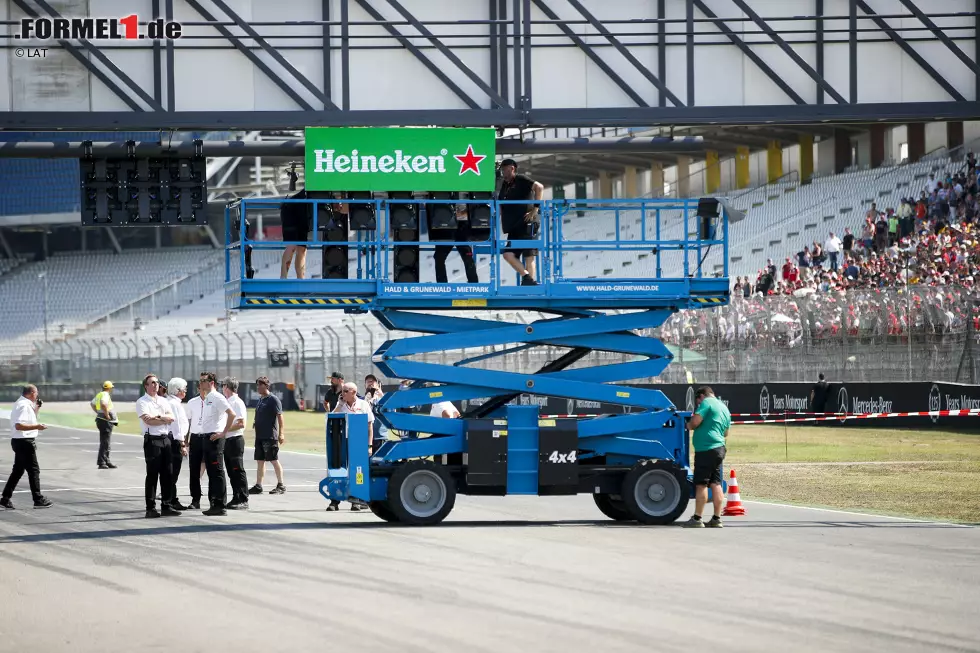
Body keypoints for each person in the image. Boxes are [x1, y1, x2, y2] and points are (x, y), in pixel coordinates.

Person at [683, 386, 731, 528]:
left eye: (698, 401)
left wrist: (687, 425)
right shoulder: (724, 407)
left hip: (706, 449)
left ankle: (697, 518)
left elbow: (695, 422)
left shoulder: (706, 403)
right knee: (716, 483)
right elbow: (726, 432)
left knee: (701, 483)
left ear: (702, 396)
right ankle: (716, 518)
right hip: (719, 448)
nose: (698, 404)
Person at [136, 374, 181, 519]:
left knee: (168, 474)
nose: (155, 385)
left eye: (156, 383)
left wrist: (158, 417)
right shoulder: (142, 402)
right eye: (152, 383)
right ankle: (150, 508)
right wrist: (162, 418)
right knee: (152, 475)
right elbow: (148, 421)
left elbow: (171, 418)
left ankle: (166, 506)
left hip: (166, 439)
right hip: (152, 440)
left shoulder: (163, 400)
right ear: (146, 386)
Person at [0, 384, 52, 509]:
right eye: (36, 393)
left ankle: (5, 498)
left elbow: (29, 419)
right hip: (24, 441)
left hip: (20, 441)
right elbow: (19, 425)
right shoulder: (23, 405)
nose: (37, 395)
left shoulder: (24, 403)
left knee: (18, 471)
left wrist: (37, 408)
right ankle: (38, 499)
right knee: (33, 470)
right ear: (32, 393)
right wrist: (38, 427)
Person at [193, 371, 237, 516]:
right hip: (206, 437)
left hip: (215, 438)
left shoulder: (217, 397)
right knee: (212, 473)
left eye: (203, 380)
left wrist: (223, 432)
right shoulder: (207, 398)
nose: (200, 383)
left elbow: (231, 414)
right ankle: (214, 503)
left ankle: (220, 504)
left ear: (211, 383)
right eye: (200, 380)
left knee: (217, 471)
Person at [327, 381, 374, 512]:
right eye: (342, 391)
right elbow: (331, 418)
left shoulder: (363, 404)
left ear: (353, 392)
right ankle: (335, 500)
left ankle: (356, 499)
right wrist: (340, 405)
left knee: (358, 471)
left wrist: (369, 445)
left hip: (359, 442)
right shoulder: (340, 404)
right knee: (339, 469)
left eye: (345, 391)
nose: (342, 394)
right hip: (342, 441)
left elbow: (369, 426)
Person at [497, 158, 544, 285]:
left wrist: (535, 208)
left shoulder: (521, 179)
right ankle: (527, 278)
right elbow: (501, 204)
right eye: (501, 169)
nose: (502, 172)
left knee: (529, 256)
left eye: (504, 169)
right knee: (508, 255)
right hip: (513, 227)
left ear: (512, 168)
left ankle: (530, 285)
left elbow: (539, 187)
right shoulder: (505, 185)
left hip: (526, 224)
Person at [248, 376, 286, 496]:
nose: (258, 387)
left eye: (260, 385)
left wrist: (281, 433)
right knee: (260, 461)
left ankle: (281, 485)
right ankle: (259, 485)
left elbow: (280, 416)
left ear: (266, 385)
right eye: (257, 385)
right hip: (260, 435)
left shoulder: (273, 399)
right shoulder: (261, 399)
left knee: (274, 460)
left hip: (270, 436)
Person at [221, 377, 250, 510]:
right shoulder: (226, 401)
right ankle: (236, 496)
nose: (222, 388)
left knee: (238, 470)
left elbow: (240, 423)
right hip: (227, 440)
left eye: (223, 385)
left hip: (235, 439)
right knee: (231, 471)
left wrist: (224, 430)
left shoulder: (237, 402)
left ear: (227, 387)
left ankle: (243, 498)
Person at [432, 202, 479, 283]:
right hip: (445, 228)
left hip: (460, 218)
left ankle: (473, 284)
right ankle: (442, 286)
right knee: (439, 257)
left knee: (467, 256)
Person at [165, 377, 190, 511]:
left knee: (172, 472)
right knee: (173, 472)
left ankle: (172, 499)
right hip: (175, 440)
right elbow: (177, 425)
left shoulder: (173, 402)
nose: (185, 391)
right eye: (184, 389)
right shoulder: (174, 404)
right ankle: (169, 501)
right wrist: (182, 444)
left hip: (173, 439)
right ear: (177, 390)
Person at [91, 380, 118, 469]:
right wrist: (107, 415)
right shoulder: (105, 395)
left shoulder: (99, 394)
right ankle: (102, 462)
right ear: (109, 388)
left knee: (106, 442)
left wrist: (98, 412)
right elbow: (103, 404)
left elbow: (92, 404)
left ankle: (106, 460)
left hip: (100, 419)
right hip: (105, 420)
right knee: (105, 442)